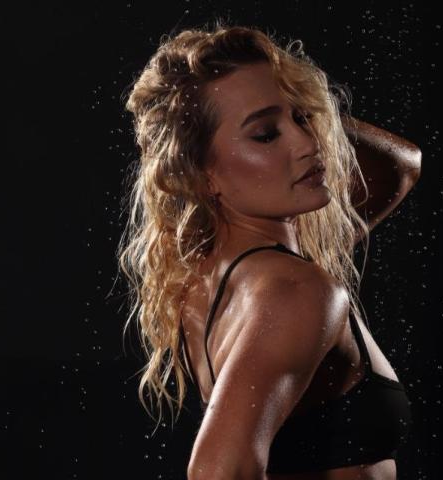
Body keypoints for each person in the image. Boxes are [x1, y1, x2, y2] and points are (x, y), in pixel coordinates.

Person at [119, 19, 422, 480]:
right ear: (202, 173)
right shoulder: (295, 291)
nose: (308, 143)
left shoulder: (207, 279)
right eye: (265, 134)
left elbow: (399, 168)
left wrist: (297, 104)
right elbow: (219, 472)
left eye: (302, 117)